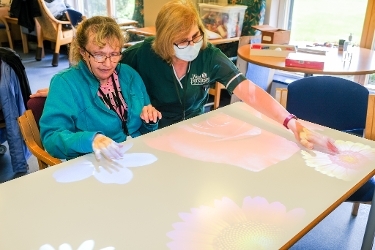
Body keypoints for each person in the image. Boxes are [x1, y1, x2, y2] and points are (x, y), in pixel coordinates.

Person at [119, 0, 375, 202]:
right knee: (159, 193)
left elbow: (249, 91)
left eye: (196, 36)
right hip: (153, 135)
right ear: (165, 41)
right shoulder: (140, 56)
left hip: (193, 133)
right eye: (183, 41)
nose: (192, 44)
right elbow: (109, 81)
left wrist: (291, 122)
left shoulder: (208, 55)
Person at [39, 16, 161, 161]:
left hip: (136, 154)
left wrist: (150, 121)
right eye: (99, 55)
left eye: (114, 54)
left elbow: (144, 128)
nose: (108, 64)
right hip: (94, 161)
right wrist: (90, 140)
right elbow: (51, 138)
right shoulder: (64, 83)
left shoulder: (130, 75)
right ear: (83, 53)